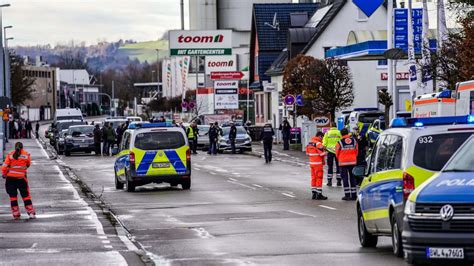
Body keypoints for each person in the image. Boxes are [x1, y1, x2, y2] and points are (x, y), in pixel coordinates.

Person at [2, 142, 35, 219]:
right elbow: (28, 164)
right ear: (22, 147)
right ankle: (31, 213)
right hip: (21, 179)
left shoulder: (10, 155)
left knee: (13, 197)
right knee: (26, 196)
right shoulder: (26, 155)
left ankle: (16, 214)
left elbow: (4, 167)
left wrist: (4, 174)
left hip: (10, 179)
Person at [335, 128, 358, 201]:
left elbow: (337, 153)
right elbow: (357, 151)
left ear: (341, 134)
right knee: (352, 178)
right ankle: (354, 195)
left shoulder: (339, 142)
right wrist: (353, 157)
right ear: (348, 133)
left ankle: (347, 195)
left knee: (345, 178)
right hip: (352, 162)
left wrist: (340, 158)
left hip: (343, 163)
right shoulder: (354, 141)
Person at [306, 132, 327, 200]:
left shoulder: (309, 143)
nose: (322, 139)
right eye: (322, 137)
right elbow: (322, 154)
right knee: (319, 178)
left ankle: (314, 194)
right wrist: (326, 152)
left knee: (313, 178)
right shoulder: (318, 143)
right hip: (318, 164)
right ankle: (319, 194)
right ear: (320, 136)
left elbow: (307, 153)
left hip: (312, 163)